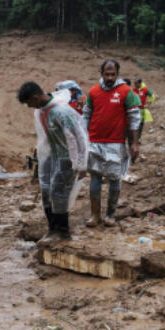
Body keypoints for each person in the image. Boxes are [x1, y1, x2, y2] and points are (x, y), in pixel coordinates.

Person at [18, 81, 89, 244]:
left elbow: (80, 137)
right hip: (52, 156)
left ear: (35, 97)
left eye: (29, 102)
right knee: (46, 191)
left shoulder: (61, 112)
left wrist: (81, 163)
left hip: (66, 158)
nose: (29, 107)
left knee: (58, 193)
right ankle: (52, 229)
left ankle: (63, 231)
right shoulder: (42, 111)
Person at [82, 59, 142, 227]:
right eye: (107, 74)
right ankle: (95, 215)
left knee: (115, 178)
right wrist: (83, 138)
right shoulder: (93, 92)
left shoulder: (126, 91)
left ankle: (110, 214)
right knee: (95, 177)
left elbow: (134, 118)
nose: (109, 77)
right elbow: (86, 116)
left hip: (115, 143)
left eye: (113, 74)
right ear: (101, 74)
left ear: (117, 74)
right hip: (94, 141)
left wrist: (134, 143)